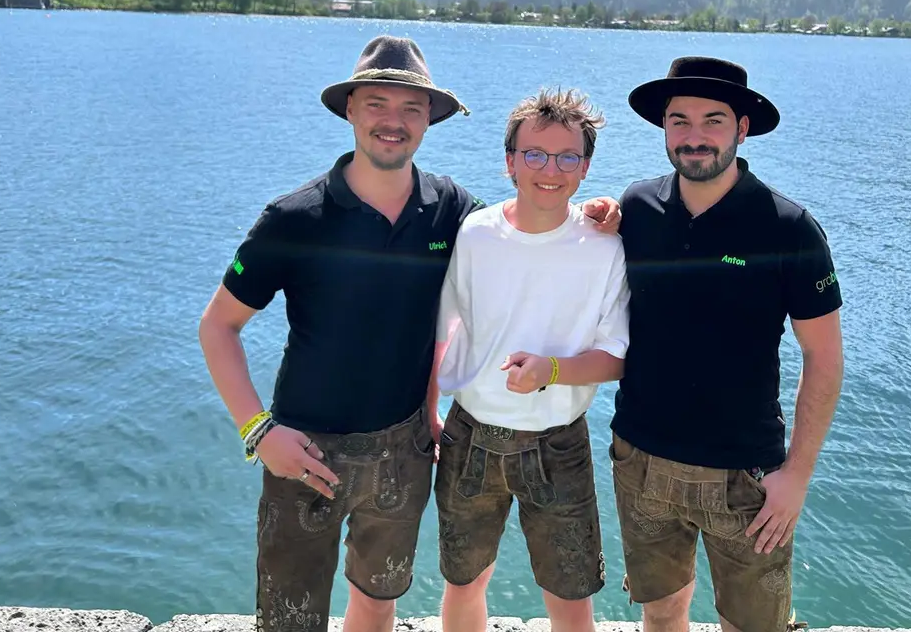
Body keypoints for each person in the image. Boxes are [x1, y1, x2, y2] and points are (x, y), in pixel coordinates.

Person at [195, 36, 621, 632]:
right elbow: (218, 326)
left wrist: (602, 212)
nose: (393, 121)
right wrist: (258, 430)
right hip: (304, 448)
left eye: (410, 108)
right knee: (289, 617)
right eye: (377, 104)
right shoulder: (293, 218)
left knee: (378, 603)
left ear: (427, 121)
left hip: (405, 448)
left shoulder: (451, 211)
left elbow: (529, 223)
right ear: (350, 109)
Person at [608, 56, 845, 632]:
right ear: (664, 128)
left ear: (742, 128)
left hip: (746, 474)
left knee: (754, 625)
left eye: (713, 121)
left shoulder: (788, 227)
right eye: (679, 120)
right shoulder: (635, 209)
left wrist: (797, 476)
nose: (694, 136)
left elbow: (824, 357)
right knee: (661, 612)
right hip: (641, 458)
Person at [433, 88, 631, 632]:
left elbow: (616, 357)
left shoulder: (605, 246)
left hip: (557, 442)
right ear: (510, 162)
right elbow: (443, 330)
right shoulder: (475, 233)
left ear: (585, 168)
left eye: (568, 157)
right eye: (535, 154)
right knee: (464, 583)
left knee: (570, 595)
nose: (551, 170)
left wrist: (553, 371)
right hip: (469, 435)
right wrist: (429, 410)